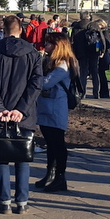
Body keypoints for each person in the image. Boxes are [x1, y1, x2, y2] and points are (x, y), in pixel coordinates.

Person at [0, 15, 43, 214]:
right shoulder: (33, 53)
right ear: (22, 30)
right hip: (23, 114)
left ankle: (4, 200)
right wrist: (21, 109)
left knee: (1, 155)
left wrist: (0, 109)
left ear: (3, 30)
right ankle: (22, 201)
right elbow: (36, 84)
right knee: (22, 155)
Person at [37, 32, 76, 193]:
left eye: (49, 43)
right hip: (46, 107)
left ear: (58, 46)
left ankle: (60, 177)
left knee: (57, 143)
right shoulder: (50, 61)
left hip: (56, 108)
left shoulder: (63, 65)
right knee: (50, 143)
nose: (46, 46)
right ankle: (50, 174)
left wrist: (32, 78)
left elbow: (46, 83)